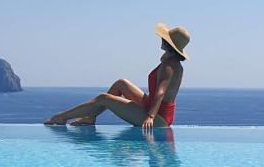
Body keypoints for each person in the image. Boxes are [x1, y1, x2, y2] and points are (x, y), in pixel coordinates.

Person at [44, 23, 190, 128]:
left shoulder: (169, 66)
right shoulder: (173, 63)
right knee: (121, 83)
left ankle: (62, 117)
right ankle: (90, 117)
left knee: (104, 99)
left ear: (168, 43)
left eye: (164, 38)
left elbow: (161, 92)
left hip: (158, 116)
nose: (161, 39)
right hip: (153, 107)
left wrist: (150, 117)